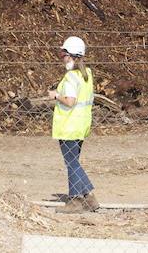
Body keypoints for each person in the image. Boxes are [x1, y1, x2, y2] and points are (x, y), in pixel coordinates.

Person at [48, 35, 98, 211]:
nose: (62, 58)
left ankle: (76, 199)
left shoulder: (70, 78)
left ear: (70, 56)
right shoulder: (86, 75)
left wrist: (56, 96)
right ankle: (89, 197)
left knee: (71, 163)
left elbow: (70, 101)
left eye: (63, 55)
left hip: (69, 125)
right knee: (74, 162)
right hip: (82, 124)